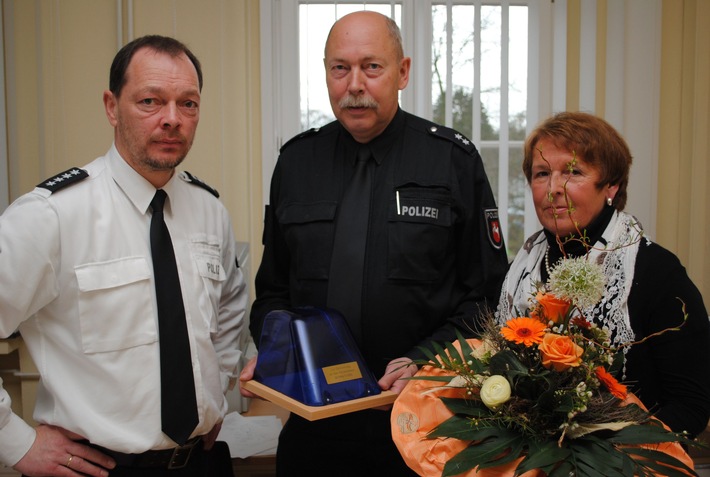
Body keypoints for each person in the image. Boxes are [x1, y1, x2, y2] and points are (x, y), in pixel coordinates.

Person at [240, 11, 509, 476]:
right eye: (339, 68)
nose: (354, 84)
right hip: (314, 428)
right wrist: (275, 356)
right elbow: (273, 292)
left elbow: (486, 298)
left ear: (402, 72)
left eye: (372, 66)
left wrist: (426, 362)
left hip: (425, 427)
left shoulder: (452, 161)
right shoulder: (296, 163)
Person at [0, 35, 247, 476]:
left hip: (201, 462)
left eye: (188, 104)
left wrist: (215, 389)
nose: (172, 119)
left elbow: (228, 308)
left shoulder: (209, 210)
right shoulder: (52, 215)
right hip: (98, 466)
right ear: (112, 107)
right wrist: (16, 443)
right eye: (151, 101)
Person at [497, 111, 710, 438]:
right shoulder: (521, 268)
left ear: (611, 184)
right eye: (541, 174)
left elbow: (691, 405)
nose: (553, 188)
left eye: (573, 172)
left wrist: (605, 459)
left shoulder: (657, 272)